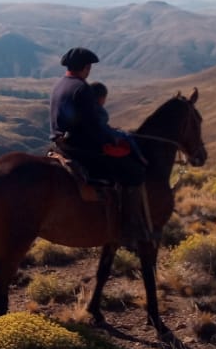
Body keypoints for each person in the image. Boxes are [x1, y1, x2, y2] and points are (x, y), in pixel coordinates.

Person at [50, 48, 151, 242]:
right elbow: (92, 126)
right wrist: (113, 140)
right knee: (134, 172)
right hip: (82, 147)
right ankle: (130, 230)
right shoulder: (82, 88)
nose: (90, 71)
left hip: (62, 143)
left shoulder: (61, 84)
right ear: (86, 68)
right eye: (89, 67)